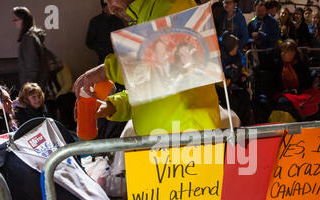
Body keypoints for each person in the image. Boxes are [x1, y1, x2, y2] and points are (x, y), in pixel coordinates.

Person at [73, 0, 223, 136]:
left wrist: (106, 70)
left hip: (189, 140)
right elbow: (155, 90)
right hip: (164, 145)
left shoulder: (174, 4)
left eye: (109, 0)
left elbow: (159, 66)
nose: (110, 9)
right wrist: (113, 106)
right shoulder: (144, 14)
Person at [12, 7, 49, 92]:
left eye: (16, 19)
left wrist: (29, 91)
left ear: (24, 20)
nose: (14, 22)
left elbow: (32, 68)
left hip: (32, 90)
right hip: (34, 88)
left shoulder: (28, 39)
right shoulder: (31, 37)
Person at [86, 0, 126, 64]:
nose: (113, 8)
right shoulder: (95, 22)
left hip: (119, 58)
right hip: (104, 59)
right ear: (103, 8)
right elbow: (89, 42)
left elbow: (125, 39)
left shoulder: (118, 21)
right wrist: (102, 48)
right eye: (109, 5)